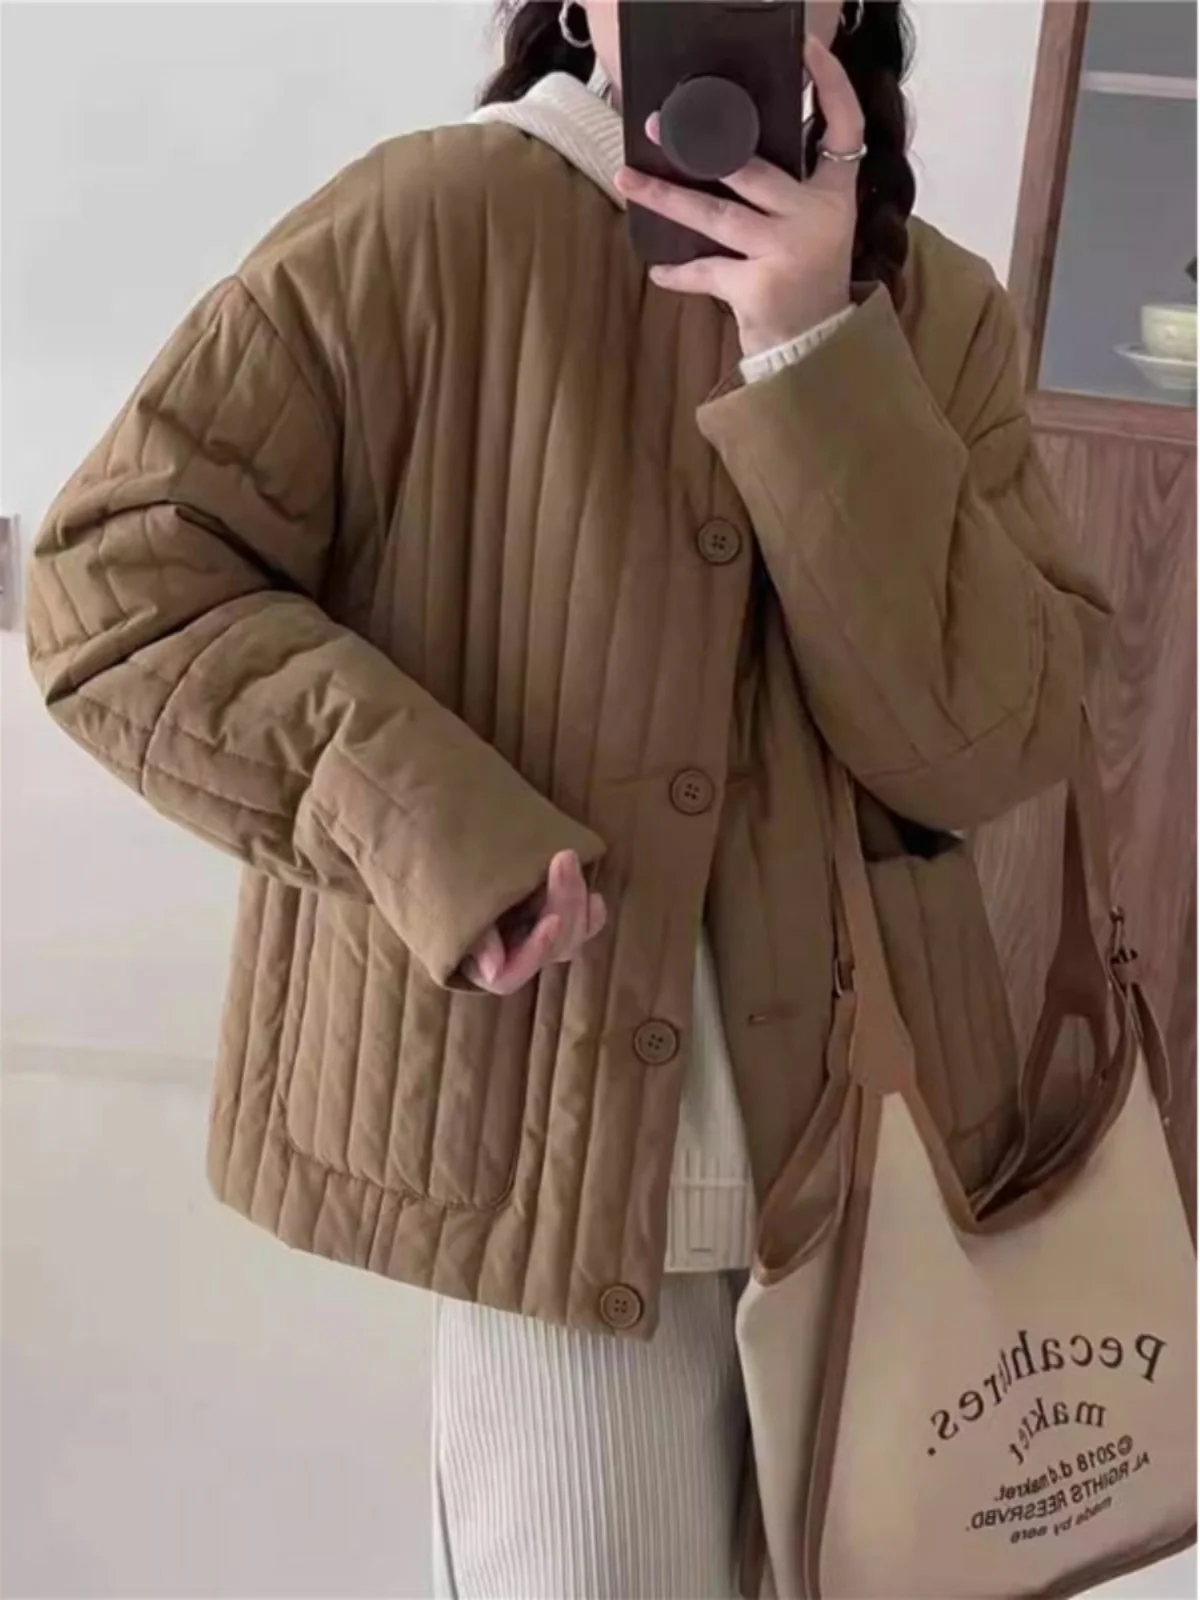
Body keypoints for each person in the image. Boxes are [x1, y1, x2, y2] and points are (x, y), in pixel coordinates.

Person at [26, 1, 1110, 1594]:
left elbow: (985, 745)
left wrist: (813, 349)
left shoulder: (935, 309)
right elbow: (119, 583)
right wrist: (429, 826)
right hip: (560, 1173)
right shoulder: (426, 223)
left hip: (887, 1186)